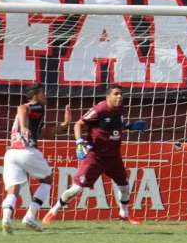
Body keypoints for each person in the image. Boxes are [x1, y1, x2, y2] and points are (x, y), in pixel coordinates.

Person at [42, 86, 147, 224]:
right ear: (108, 96)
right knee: (77, 189)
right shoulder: (99, 110)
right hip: (95, 156)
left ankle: (124, 213)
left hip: (113, 156)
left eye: (121, 94)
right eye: (116, 94)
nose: (119, 97)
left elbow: (114, 126)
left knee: (125, 186)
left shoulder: (120, 109)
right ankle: (53, 211)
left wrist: (130, 126)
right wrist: (79, 142)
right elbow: (78, 125)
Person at [0, 87, 73, 234]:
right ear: (35, 96)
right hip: (27, 151)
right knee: (47, 180)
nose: (45, 96)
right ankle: (30, 216)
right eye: (42, 93)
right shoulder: (36, 106)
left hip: (11, 153)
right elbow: (21, 108)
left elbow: (45, 132)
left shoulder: (35, 116)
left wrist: (65, 125)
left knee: (13, 189)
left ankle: (6, 218)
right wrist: (24, 127)